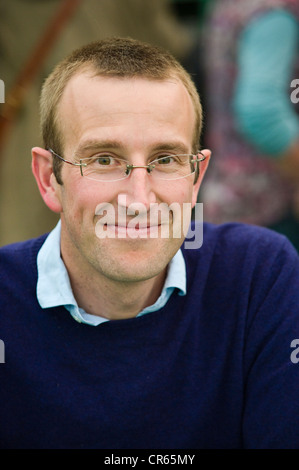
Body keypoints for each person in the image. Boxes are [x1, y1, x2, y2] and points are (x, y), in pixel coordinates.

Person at [1, 37, 299, 450]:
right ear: (50, 178)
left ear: (196, 178)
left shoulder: (258, 276)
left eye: (165, 160)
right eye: (104, 159)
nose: (139, 200)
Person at [200, 0, 299, 250]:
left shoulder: (236, 6)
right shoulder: (275, 17)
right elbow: (262, 114)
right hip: (268, 209)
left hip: (227, 196)